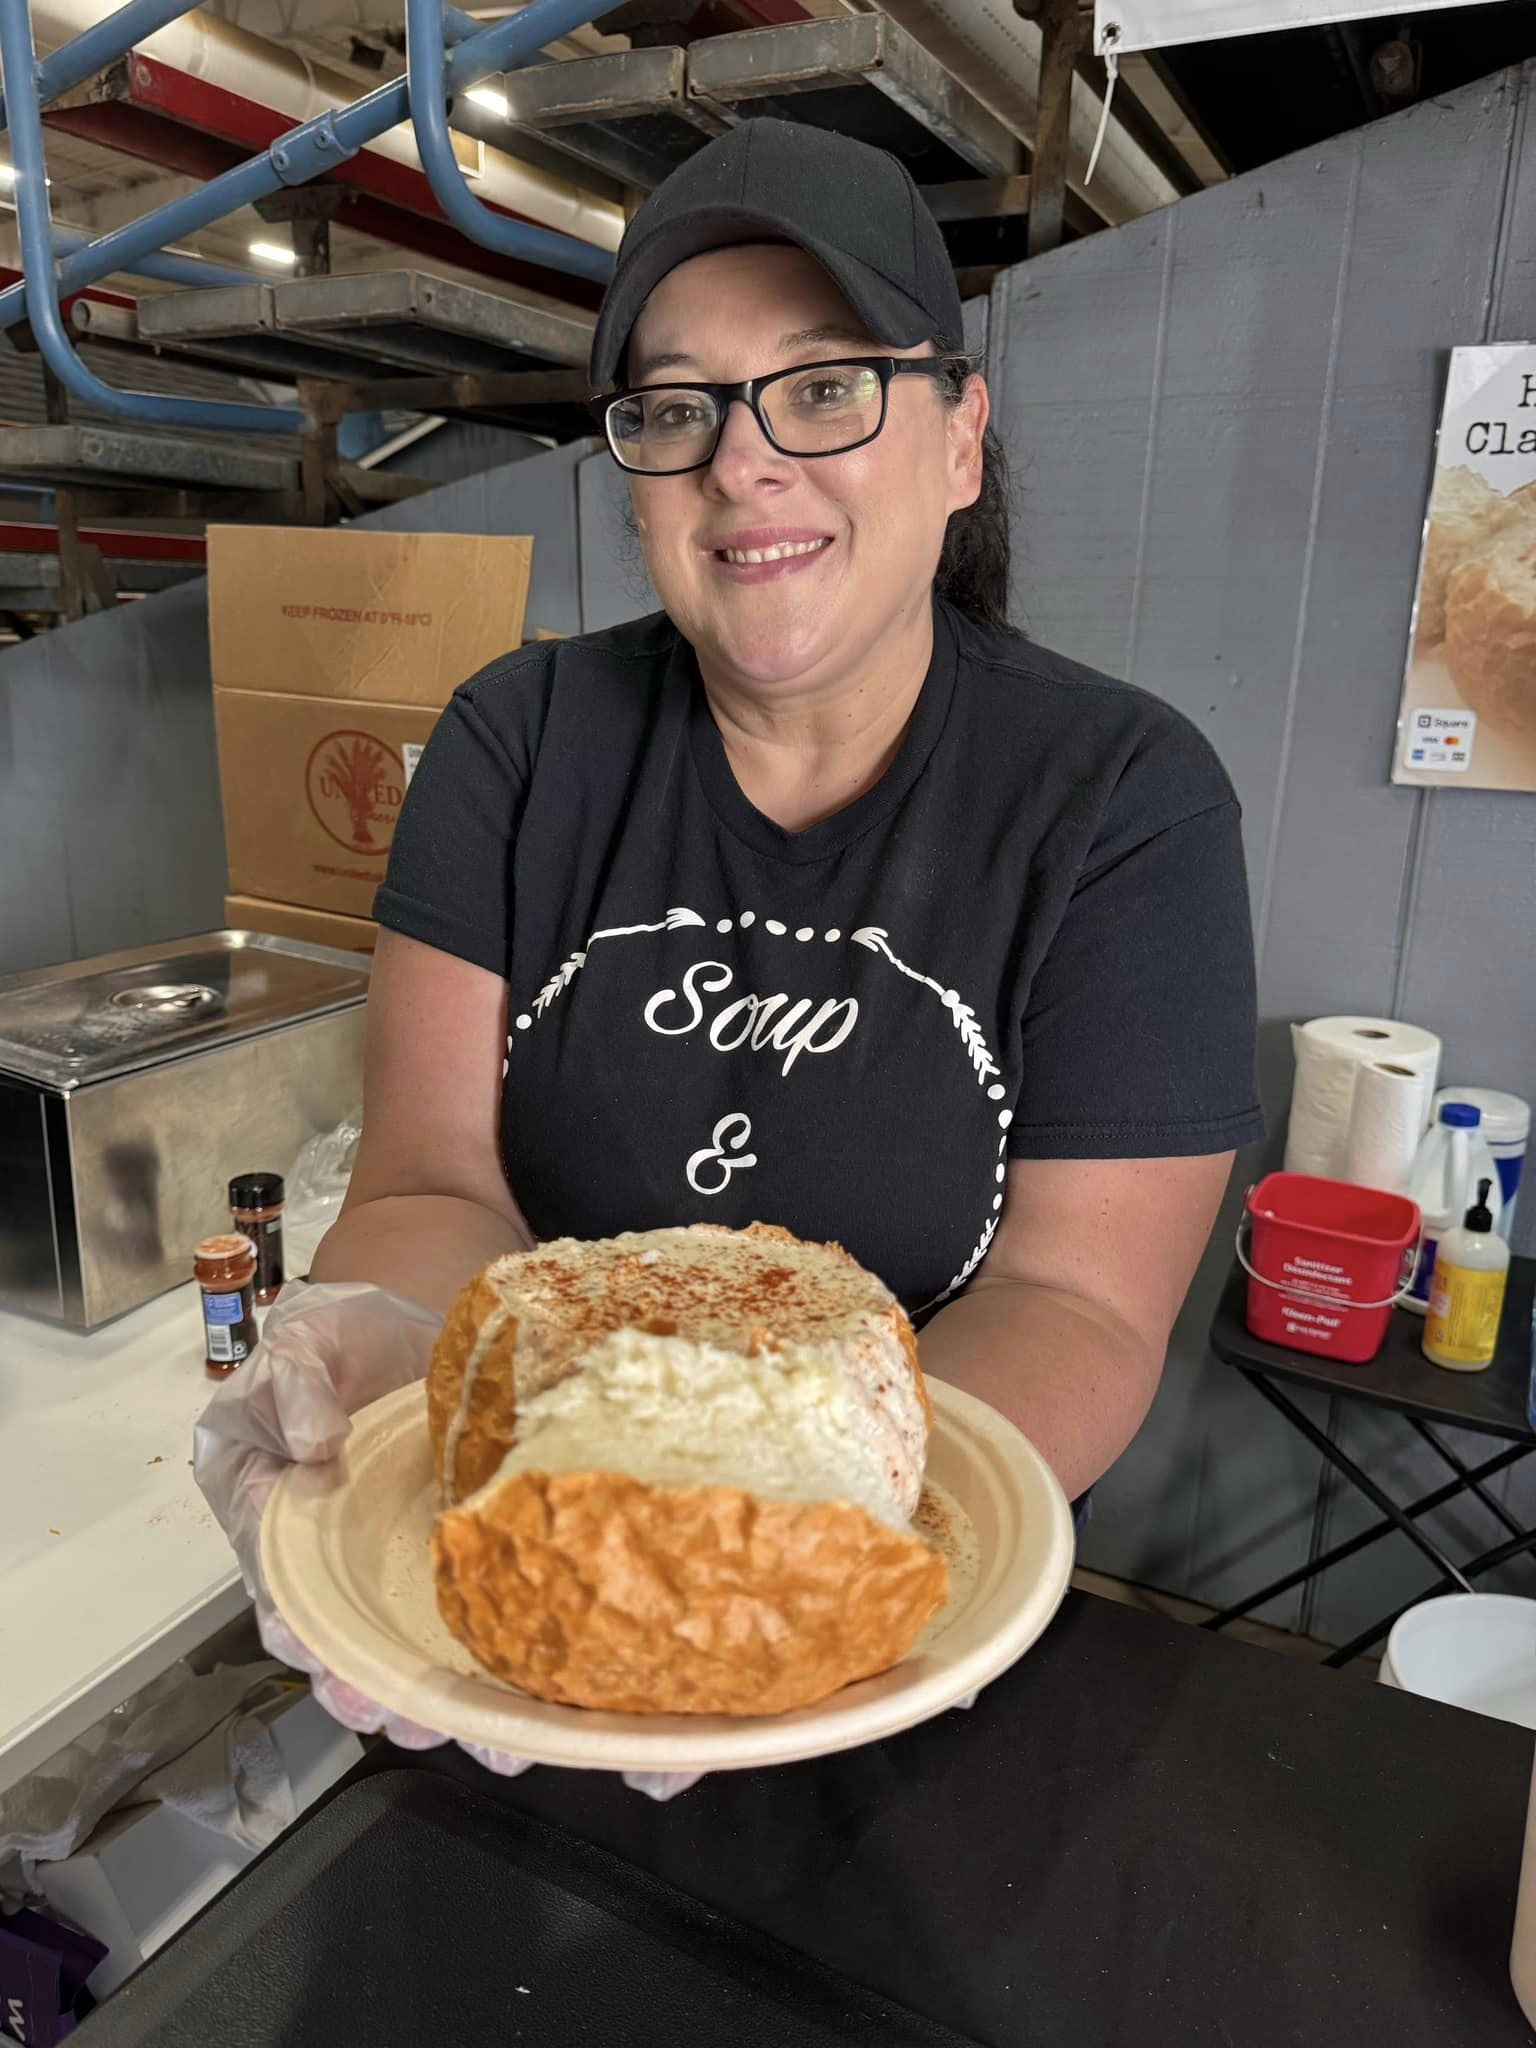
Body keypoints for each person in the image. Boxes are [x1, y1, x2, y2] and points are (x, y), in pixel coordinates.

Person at [197, 117, 1261, 1760]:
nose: (742, 463)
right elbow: (432, 1187)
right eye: (675, 409)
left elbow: (1080, 1304)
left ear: (961, 437)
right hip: (528, 1591)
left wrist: (774, 1549)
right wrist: (379, 1353)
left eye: (824, 386)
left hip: (908, 1629)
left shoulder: (1123, 798)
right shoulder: (519, 740)